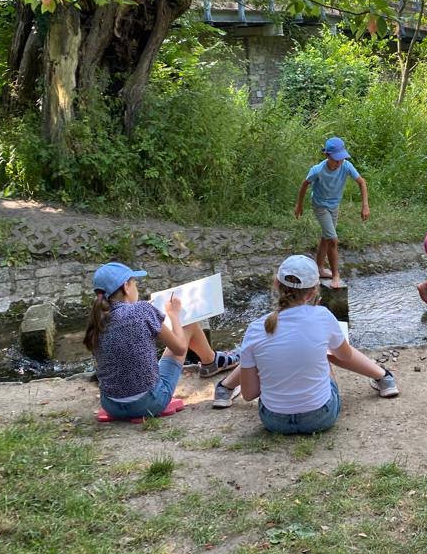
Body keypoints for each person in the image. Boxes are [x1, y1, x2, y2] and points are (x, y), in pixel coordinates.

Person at [211, 254, 398, 433]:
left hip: (274, 421)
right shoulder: (322, 316)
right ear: (313, 292)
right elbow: (344, 355)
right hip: (321, 417)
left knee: (257, 355)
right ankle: (384, 378)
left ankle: (224, 389)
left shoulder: (255, 328)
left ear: (276, 284)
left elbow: (250, 394)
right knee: (326, 351)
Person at [84, 261, 239, 420]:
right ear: (126, 286)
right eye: (135, 283)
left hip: (111, 406)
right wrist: (173, 315)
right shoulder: (142, 310)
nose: (136, 288)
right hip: (150, 402)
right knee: (189, 325)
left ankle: (211, 361)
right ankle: (211, 362)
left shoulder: (96, 319)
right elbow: (180, 348)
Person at [294, 136, 370, 288]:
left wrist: (365, 206)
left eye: (341, 159)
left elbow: (361, 182)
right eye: (336, 159)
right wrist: (299, 205)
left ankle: (320, 268)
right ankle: (336, 275)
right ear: (327, 155)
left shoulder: (346, 166)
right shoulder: (317, 170)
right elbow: (305, 184)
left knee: (326, 238)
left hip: (334, 206)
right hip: (320, 206)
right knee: (333, 240)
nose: (339, 162)